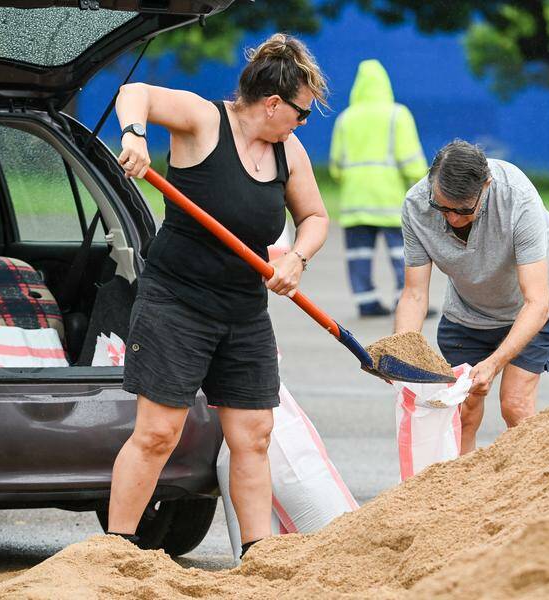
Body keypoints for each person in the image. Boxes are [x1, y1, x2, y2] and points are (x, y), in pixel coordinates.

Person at [107, 33, 330, 558]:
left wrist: (296, 258)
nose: (303, 123)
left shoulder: (289, 151)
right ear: (272, 104)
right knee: (158, 433)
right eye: (301, 113)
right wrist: (135, 136)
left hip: (244, 312)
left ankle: (257, 556)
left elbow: (316, 217)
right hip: (176, 304)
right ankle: (114, 552)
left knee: (254, 435)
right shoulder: (205, 120)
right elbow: (135, 92)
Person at [394, 140, 549, 453]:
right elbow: (414, 294)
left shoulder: (518, 198)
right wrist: (400, 352)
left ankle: (533, 478)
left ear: (486, 186)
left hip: (533, 306)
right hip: (469, 310)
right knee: (462, 410)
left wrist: (492, 364)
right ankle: (462, 482)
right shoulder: (417, 205)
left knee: (515, 405)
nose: (452, 218)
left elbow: (536, 303)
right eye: (442, 208)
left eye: (463, 210)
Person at [329, 59, 429, 317]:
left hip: (354, 201)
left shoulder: (345, 119)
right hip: (389, 199)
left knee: (358, 255)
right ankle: (404, 299)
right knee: (401, 252)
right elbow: (412, 162)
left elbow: (336, 167)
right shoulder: (397, 115)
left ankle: (366, 301)